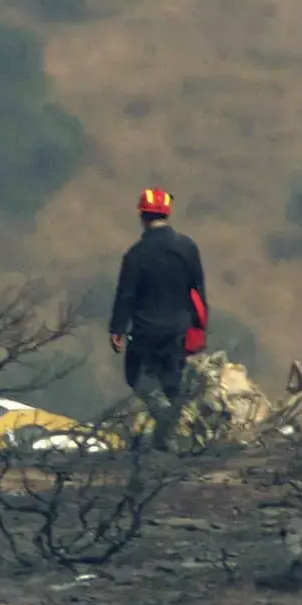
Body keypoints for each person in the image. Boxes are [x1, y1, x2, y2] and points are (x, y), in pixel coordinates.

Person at [109, 188, 207, 450]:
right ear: (167, 213)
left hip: (145, 330)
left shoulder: (136, 254)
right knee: (172, 382)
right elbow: (197, 290)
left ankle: (165, 423)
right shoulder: (187, 247)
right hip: (179, 328)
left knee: (138, 378)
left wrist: (117, 329)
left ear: (142, 216)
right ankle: (167, 437)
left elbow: (125, 295)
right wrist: (199, 326)